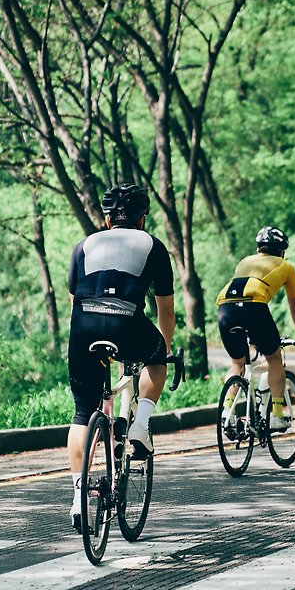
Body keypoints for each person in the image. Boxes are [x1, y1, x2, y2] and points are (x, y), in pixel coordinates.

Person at [66, 183, 175, 530]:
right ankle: (140, 425)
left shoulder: (84, 245)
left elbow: (74, 302)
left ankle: (79, 498)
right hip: (128, 324)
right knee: (156, 358)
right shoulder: (153, 246)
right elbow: (166, 312)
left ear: (107, 219)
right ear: (142, 219)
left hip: (83, 328)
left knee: (82, 413)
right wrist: (164, 350)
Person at [215, 226, 295, 432]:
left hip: (225, 309)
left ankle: (227, 412)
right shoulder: (286, 267)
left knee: (237, 363)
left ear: (258, 249)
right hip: (254, 308)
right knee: (274, 358)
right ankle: (277, 415)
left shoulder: (245, 261)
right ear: (282, 251)